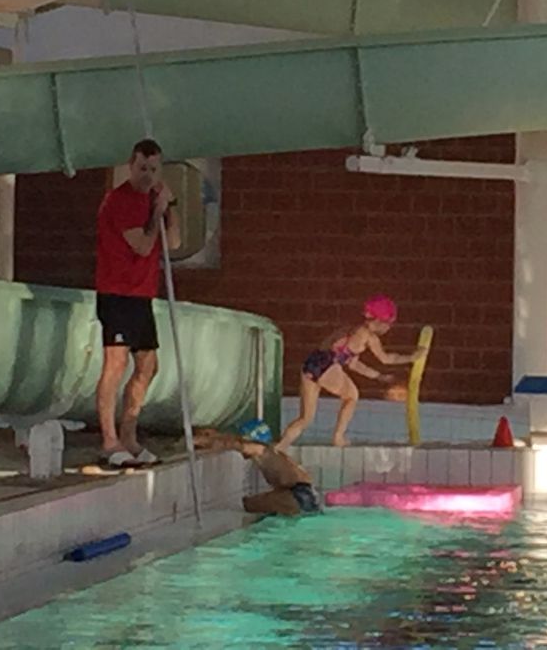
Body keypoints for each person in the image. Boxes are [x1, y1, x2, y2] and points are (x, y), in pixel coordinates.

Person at [94, 139, 180, 468]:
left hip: (142, 294)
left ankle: (128, 434)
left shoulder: (153, 199)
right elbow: (143, 246)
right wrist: (155, 212)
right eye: (142, 168)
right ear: (131, 166)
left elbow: (173, 242)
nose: (147, 175)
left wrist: (168, 208)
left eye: (153, 169)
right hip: (116, 292)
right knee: (115, 365)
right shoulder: (120, 201)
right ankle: (109, 440)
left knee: (148, 366)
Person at [277, 295, 426, 449]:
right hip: (328, 365)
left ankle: (280, 447)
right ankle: (338, 437)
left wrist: (378, 376)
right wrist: (412, 357)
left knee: (305, 418)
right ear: (379, 320)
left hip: (312, 364)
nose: (389, 328)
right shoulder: (368, 336)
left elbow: (354, 365)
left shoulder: (350, 330)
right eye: (388, 324)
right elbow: (386, 358)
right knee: (352, 396)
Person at [194, 425, 323, 516]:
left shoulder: (259, 449)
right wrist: (216, 434)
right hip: (310, 496)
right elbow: (235, 439)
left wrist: (200, 441)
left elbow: (235, 444)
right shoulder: (275, 452)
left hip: (297, 496)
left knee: (248, 505)